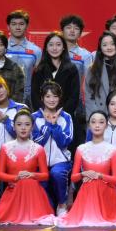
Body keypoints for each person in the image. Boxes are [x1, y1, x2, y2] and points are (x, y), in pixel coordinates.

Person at [0, 109, 55, 226]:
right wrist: (16, 178)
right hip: (13, 192)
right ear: (13, 127)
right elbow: (0, 174)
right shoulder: (5, 148)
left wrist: (32, 174)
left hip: (32, 194)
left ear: (32, 127)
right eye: (19, 124)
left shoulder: (38, 149)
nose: (23, 128)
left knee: (28, 182)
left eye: (27, 124)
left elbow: (45, 175)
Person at [59, 110, 116, 227]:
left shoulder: (113, 150)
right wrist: (84, 173)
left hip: (106, 192)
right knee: (91, 183)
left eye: (101, 122)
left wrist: (99, 175)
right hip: (88, 190)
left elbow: (115, 179)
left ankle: (100, 213)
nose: (97, 125)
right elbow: (73, 178)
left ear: (106, 126)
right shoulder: (81, 149)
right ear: (89, 125)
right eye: (93, 122)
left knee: (94, 182)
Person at [34, 82, 75, 212]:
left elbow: (65, 142)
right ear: (42, 98)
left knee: (56, 173)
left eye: (55, 96)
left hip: (61, 160)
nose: (51, 100)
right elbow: (35, 143)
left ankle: (62, 204)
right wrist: (47, 125)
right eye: (48, 96)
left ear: (59, 98)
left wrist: (55, 125)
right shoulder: (34, 117)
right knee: (48, 208)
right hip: (39, 162)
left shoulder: (66, 117)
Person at [84, 30, 116, 119]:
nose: (109, 47)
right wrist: (97, 118)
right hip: (98, 119)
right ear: (100, 48)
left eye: (112, 44)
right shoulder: (92, 69)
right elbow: (89, 96)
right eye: (105, 45)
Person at [29, 32, 81, 120]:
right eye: (51, 45)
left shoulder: (71, 69)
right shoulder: (39, 70)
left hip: (65, 117)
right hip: (43, 117)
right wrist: (44, 113)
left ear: (64, 47)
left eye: (58, 45)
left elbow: (74, 96)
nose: (54, 48)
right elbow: (35, 96)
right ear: (46, 48)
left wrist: (61, 114)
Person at [5, 9, 43, 97]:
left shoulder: (36, 51)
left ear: (27, 26)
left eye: (21, 24)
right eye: (14, 24)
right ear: (8, 27)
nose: (17, 27)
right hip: (3, 96)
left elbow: (40, 78)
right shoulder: (0, 48)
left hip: (27, 97)